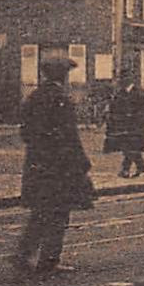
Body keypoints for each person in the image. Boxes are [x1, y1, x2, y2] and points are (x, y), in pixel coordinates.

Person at [14, 57, 95, 275]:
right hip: (60, 168)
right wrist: (82, 163)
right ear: (62, 76)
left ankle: (23, 255)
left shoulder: (34, 97)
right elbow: (70, 137)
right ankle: (49, 262)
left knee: (40, 212)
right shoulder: (61, 99)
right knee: (59, 213)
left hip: (37, 165)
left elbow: (25, 133)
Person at [104, 73, 144, 178]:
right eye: (120, 79)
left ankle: (126, 169)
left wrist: (135, 117)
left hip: (137, 127)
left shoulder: (140, 93)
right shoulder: (120, 93)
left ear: (130, 80)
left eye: (123, 79)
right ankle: (140, 168)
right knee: (129, 148)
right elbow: (114, 107)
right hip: (124, 126)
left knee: (131, 148)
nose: (121, 81)